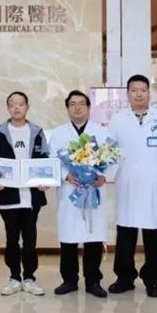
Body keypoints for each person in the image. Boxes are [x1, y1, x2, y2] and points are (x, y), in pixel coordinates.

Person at [107, 74, 157, 297]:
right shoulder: (118, 119)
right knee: (125, 232)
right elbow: (109, 151)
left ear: (149, 93)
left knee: (153, 234)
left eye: (143, 90)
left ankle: (153, 280)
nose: (139, 94)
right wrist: (106, 175)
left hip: (152, 183)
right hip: (126, 182)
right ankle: (124, 278)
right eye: (134, 90)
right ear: (127, 94)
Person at [47, 90, 110, 298]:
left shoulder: (101, 132)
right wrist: (65, 175)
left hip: (93, 189)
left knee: (93, 236)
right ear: (67, 108)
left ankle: (93, 281)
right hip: (70, 190)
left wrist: (103, 176)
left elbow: (112, 158)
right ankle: (69, 280)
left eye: (81, 103)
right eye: (72, 104)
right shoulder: (59, 133)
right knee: (69, 236)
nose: (77, 108)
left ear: (89, 107)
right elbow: (52, 160)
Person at [0, 91, 50, 297]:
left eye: (20, 104)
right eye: (12, 104)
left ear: (27, 107)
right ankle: (14, 277)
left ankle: (30, 278)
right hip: (8, 197)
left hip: (32, 196)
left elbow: (45, 158)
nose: (16, 107)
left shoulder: (37, 132)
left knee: (30, 239)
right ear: (8, 108)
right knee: (12, 239)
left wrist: (46, 180)